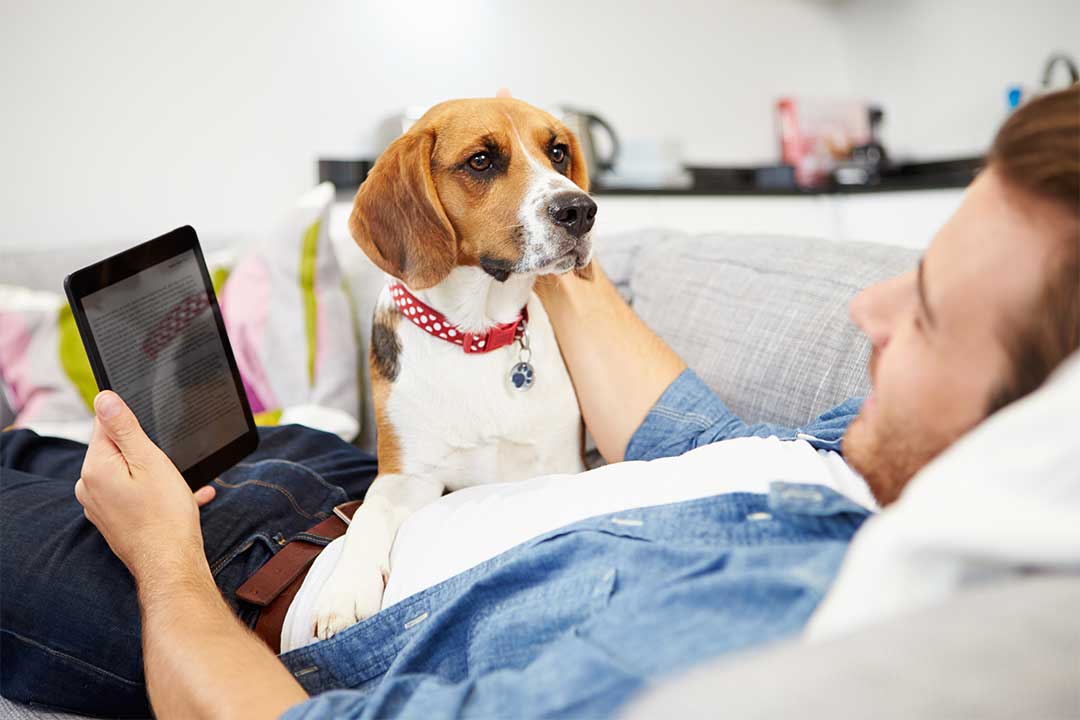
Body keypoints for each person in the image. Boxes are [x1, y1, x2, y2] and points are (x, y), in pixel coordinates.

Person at [2, 85, 1077, 719]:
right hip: (340, 479)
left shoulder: (751, 631)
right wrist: (544, 229)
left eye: (928, 314)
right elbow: (680, 427)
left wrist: (164, 561)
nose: (869, 308)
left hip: (241, 582)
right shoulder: (849, 453)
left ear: (1022, 430)